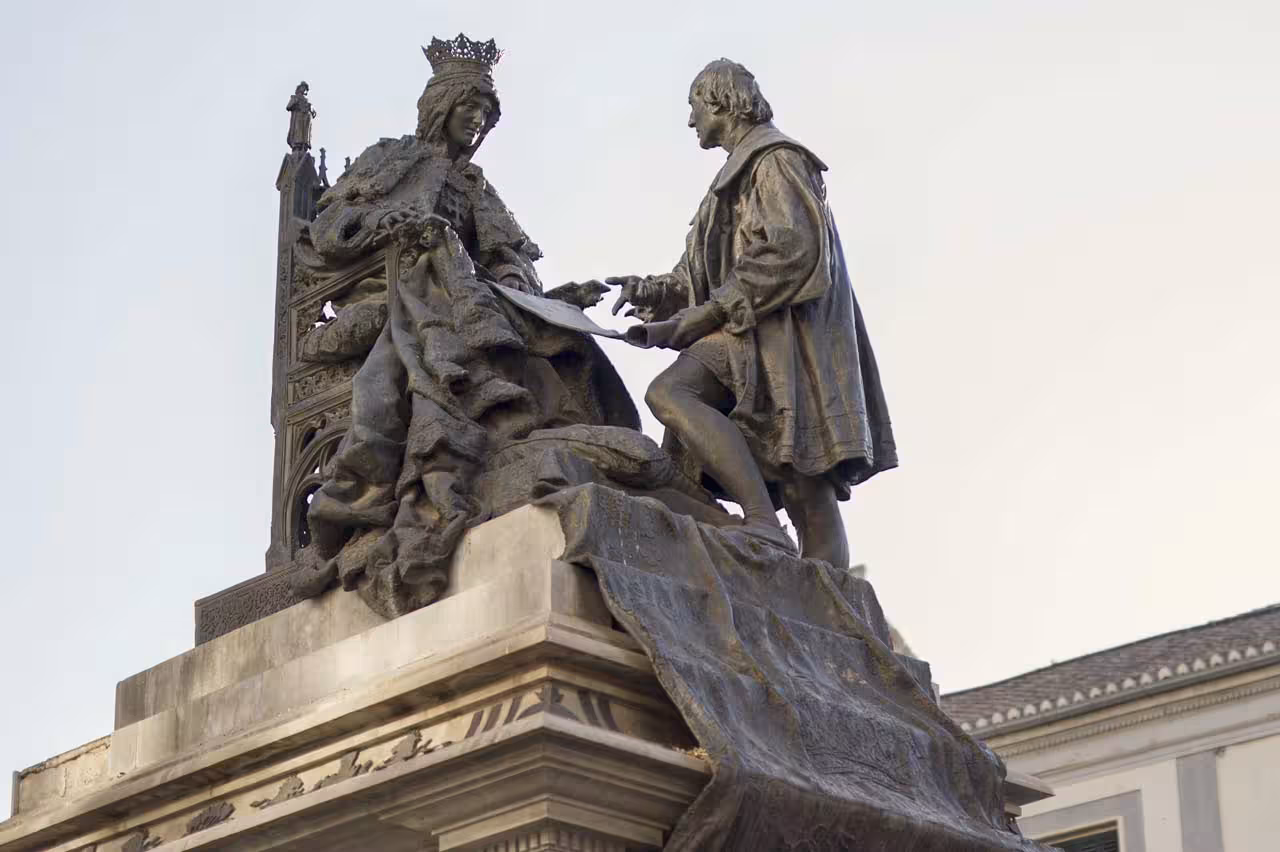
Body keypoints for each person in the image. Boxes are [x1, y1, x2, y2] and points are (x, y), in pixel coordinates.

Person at [295, 36, 636, 611]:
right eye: (468, 109)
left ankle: (522, 432)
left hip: (467, 295)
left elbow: (508, 257)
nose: (476, 123)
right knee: (428, 313)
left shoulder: (477, 188)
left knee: (548, 331)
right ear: (440, 108)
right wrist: (396, 224)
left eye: (485, 115)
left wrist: (542, 295)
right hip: (389, 285)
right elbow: (330, 229)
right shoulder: (390, 159)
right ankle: (391, 477)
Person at [608, 59, 897, 571]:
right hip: (750, 329)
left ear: (719, 101)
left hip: (787, 336)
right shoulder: (733, 178)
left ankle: (769, 527)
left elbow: (792, 249)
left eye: (694, 107)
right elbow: (697, 272)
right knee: (797, 473)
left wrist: (709, 313)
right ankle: (793, 556)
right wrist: (654, 293)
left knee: (806, 481)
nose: (691, 121)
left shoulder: (775, 158)